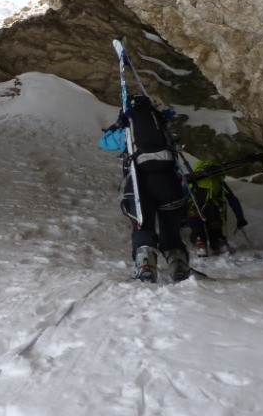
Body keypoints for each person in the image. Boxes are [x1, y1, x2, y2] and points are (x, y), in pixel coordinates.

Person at [99, 95, 190, 283]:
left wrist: (117, 125)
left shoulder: (127, 129)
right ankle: (178, 265)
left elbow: (104, 143)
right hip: (169, 182)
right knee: (171, 230)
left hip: (140, 184)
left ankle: (146, 267)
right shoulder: (160, 126)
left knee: (143, 226)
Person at [185, 160, 248, 256]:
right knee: (215, 228)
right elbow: (233, 200)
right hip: (213, 210)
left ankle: (199, 242)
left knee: (197, 228)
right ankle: (219, 243)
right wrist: (240, 217)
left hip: (194, 210)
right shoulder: (219, 181)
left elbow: (180, 198)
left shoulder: (191, 180)